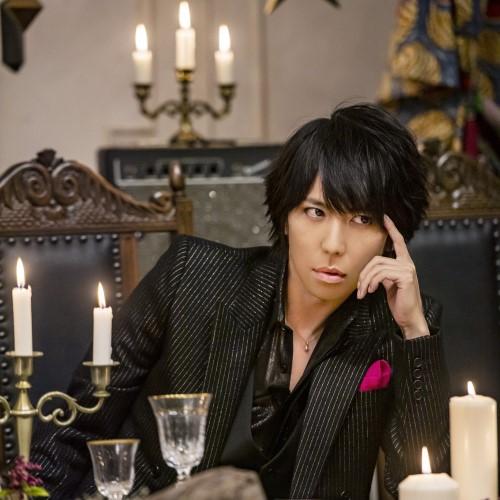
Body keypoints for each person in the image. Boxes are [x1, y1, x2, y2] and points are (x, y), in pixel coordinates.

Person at [31, 103, 450, 500]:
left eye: (362, 219)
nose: (334, 244)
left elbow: (421, 483)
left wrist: (414, 332)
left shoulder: (397, 326)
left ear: (391, 237)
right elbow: (75, 431)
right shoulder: (190, 277)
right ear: (285, 218)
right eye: (316, 212)